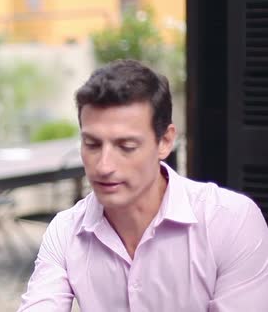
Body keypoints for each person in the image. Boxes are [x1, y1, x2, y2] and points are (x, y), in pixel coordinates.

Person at [18, 59, 268, 312]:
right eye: (92, 144)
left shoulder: (231, 221)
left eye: (126, 146)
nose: (104, 166)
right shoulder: (65, 230)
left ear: (165, 142)